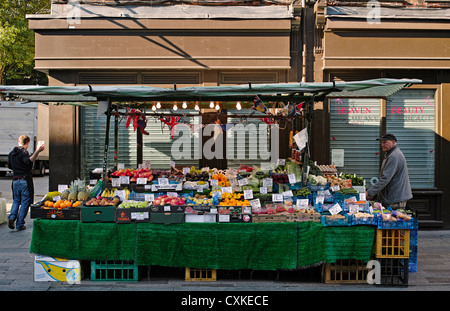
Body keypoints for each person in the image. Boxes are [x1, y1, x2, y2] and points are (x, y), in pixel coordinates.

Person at [7, 135, 45, 231]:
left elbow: (10, 166)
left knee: (16, 200)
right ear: (27, 143)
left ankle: (12, 217)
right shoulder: (23, 152)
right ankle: (19, 224)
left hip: (15, 180)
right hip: (24, 180)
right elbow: (28, 161)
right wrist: (37, 151)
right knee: (25, 202)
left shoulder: (11, 153)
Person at [365, 133, 412, 209]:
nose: (382, 145)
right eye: (381, 143)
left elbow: (385, 178)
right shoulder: (391, 154)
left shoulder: (394, 156)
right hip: (394, 196)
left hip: (395, 198)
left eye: (385, 142)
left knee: (392, 220)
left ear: (393, 142)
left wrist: (369, 192)